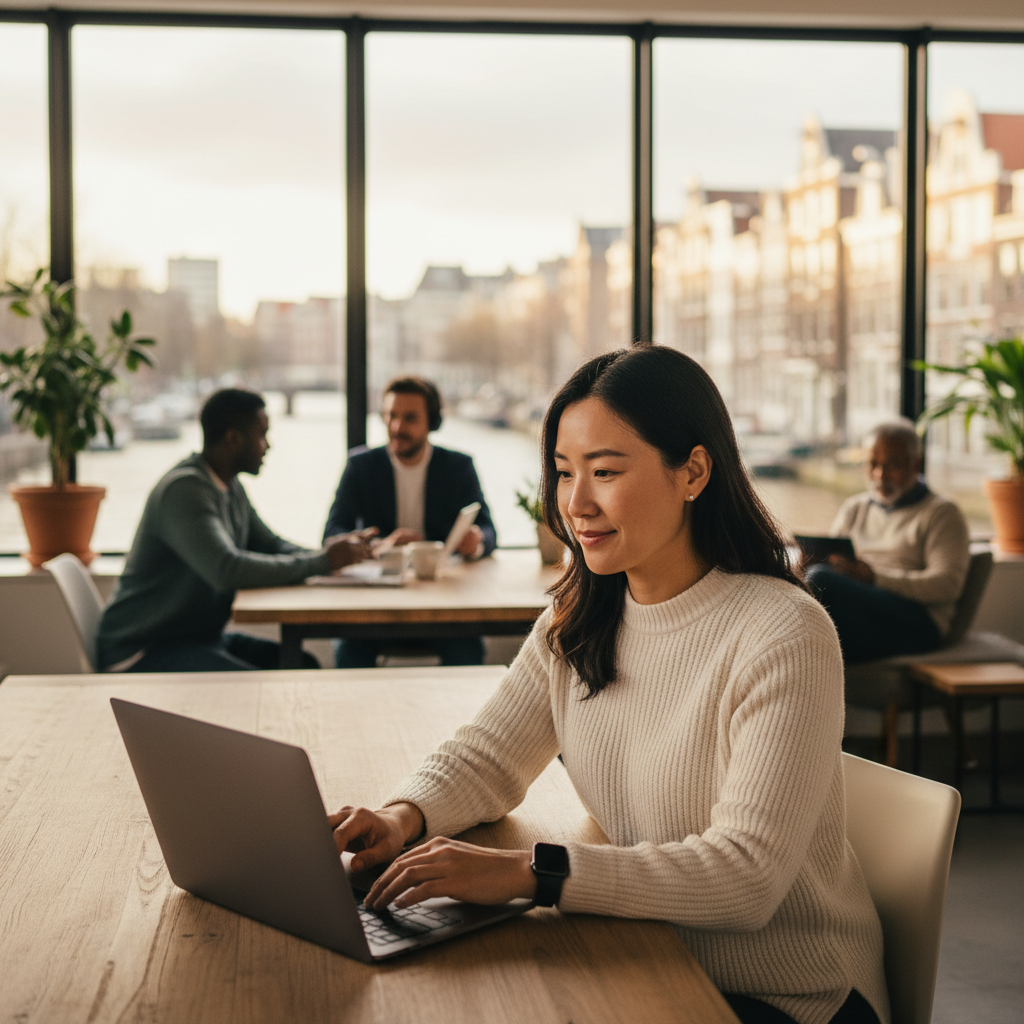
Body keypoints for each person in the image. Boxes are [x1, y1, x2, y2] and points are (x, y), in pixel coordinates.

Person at [328, 347, 888, 1024]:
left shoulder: (783, 633)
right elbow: (489, 755)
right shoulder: (581, 615)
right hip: (642, 952)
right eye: (565, 473)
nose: (575, 503)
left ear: (694, 471)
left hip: (787, 995)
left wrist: (532, 873)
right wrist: (401, 816)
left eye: (605, 471)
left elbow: (748, 878)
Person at [96, 388, 373, 673]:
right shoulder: (184, 491)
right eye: (262, 435)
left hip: (195, 641)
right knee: (266, 686)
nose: (268, 446)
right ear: (233, 440)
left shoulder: (229, 487)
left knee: (302, 664)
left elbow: (271, 544)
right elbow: (227, 570)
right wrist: (324, 561)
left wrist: (337, 555)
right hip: (143, 650)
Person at [323, 376, 497, 668]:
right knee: (349, 653)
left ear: (432, 422)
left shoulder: (458, 466)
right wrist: (379, 546)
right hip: (374, 609)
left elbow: (490, 531)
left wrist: (476, 541)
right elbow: (332, 534)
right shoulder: (360, 466)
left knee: (468, 653)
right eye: (391, 416)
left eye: (410, 418)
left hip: (443, 607)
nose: (397, 427)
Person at [803, 420, 970, 664]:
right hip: (862, 608)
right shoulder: (855, 508)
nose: (880, 475)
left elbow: (947, 586)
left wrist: (874, 578)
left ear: (916, 464)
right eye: (873, 464)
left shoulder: (942, 513)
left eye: (892, 465)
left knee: (820, 581)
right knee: (805, 583)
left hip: (917, 621)